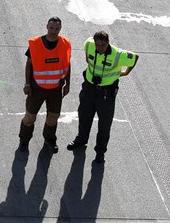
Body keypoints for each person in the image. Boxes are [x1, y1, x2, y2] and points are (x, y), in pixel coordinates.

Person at [67, 31, 138, 163]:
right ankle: (81, 140)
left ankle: (100, 152)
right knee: (84, 116)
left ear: (108, 43)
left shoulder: (118, 54)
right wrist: (89, 61)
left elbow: (134, 57)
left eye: (103, 45)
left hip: (106, 93)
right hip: (88, 88)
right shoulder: (89, 44)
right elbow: (87, 55)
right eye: (97, 45)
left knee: (104, 124)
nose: (99, 48)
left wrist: (125, 73)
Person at [19, 17, 71, 153]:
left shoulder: (65, 44)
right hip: (36, 88)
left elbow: (67, 64)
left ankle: (49, 139)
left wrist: (68, 84)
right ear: (47, 26)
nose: (54, 31)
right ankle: (24, 139)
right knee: (30, 116)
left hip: (56, 89)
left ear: (60, 28)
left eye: (57, 28)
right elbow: (29, 64)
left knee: (53, 116)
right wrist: (27, 83)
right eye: (51, 28)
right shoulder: (35, 44)